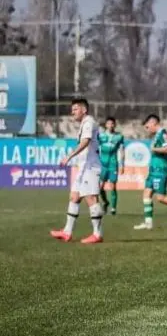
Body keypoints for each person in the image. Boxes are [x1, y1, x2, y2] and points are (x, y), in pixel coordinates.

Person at [50, 98, 105, 244]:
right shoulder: (84, 123)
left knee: (91, 198)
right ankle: (67, 232)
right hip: (83, 167)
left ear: (84, 110)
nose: (72, 112)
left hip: (91, 167)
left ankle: (97, 234)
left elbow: (85, 142)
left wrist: (69, 156)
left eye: (75, 109)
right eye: (72, 109)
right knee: (74, 196)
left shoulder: (88, 122)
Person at [98, 117, 125, 215]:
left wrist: (122, 165)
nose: (110, 125)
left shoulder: (119, 137)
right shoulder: (100, 136)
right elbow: (96, 148)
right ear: (106, 125)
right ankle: (105, 202)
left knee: (112, 186)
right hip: (102, 164)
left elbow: (122, 151)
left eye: (112, 124)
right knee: (100, 187)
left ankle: (113, 208)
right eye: (108, 123)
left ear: (114, 125)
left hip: (113, 164)